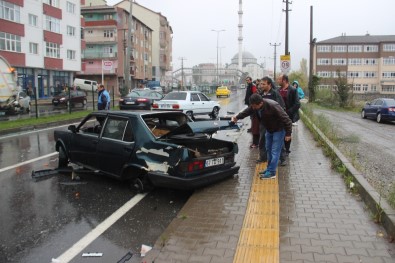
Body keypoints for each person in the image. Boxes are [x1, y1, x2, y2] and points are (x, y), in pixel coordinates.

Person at [231, 93, 292, 179]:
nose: (253, 108)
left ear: (260, 103)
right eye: (252, 106)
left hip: (279, 130)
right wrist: (237, 117)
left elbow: (287, 120)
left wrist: (288, 133)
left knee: (275, 151)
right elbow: (247, 111)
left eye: (254, 106)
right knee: (268, 150)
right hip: (269, 129)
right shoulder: (254, 106)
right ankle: (269, 169)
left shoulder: (273, 106)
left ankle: (272, 173)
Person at [256, 76, 285, 163]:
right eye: (260, 84)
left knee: (278, 141)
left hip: (275, 123)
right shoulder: (260, 95)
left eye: (263, 84)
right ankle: (263, 157)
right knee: (262, 139)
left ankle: (282, 159)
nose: (261, 85)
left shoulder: (275, 94)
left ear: (269, 84)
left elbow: (281, 107)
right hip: (264, 122)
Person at [278, 75, 300, 164]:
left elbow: (297, 104)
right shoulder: (278, 90)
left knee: (287, 132)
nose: (278, 81)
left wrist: (288, 112)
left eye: (279, 79)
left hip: (288, 115)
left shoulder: (293, 90)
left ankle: (286, 150)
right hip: (279, 115)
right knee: (279, 132)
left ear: (284, 80)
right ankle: (281, 150)